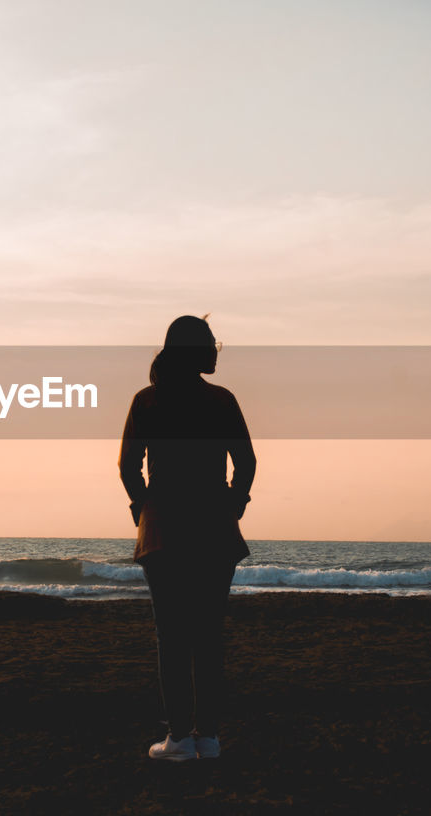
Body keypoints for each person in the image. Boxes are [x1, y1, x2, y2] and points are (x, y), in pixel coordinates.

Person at [118, 315, 256, 762]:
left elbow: (127, 467)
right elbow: (247, 461)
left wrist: (143, 508)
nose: (217, 349)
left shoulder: (147, 401)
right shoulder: (221, 400)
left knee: (172, 637)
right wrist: (234, 503)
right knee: (208, 636)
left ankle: (177, 738)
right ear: (197, 351)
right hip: (214, 529)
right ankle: (209, 737)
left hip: (162, 531)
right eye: (212, 343)